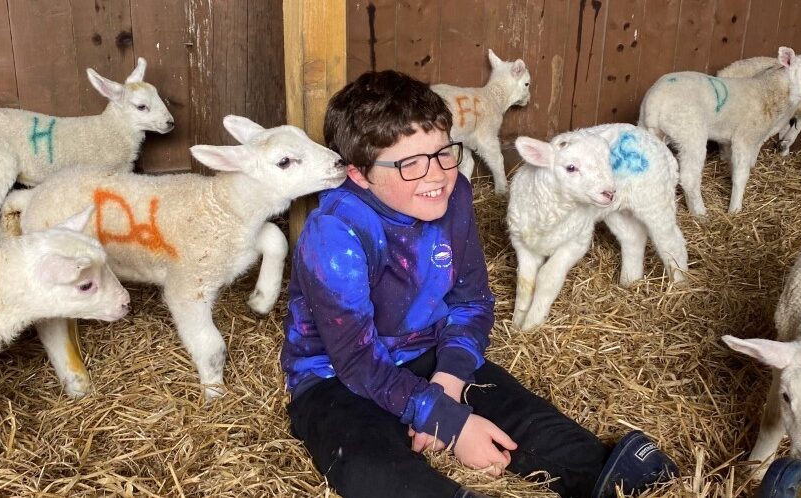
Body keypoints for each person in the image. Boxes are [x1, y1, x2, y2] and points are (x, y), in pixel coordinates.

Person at [280, 69, 678, 498]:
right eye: (409, 163)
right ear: (359, 173)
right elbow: (356, 361)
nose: (436, 176)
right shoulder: (335, 234)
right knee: (367, 464)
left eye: (443, 153)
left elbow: (471, 302)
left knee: (526, 417)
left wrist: (449, 379)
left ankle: (623, 481)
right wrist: (446, 421)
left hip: (427, 349)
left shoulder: (454, 197)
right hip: (334, 376)